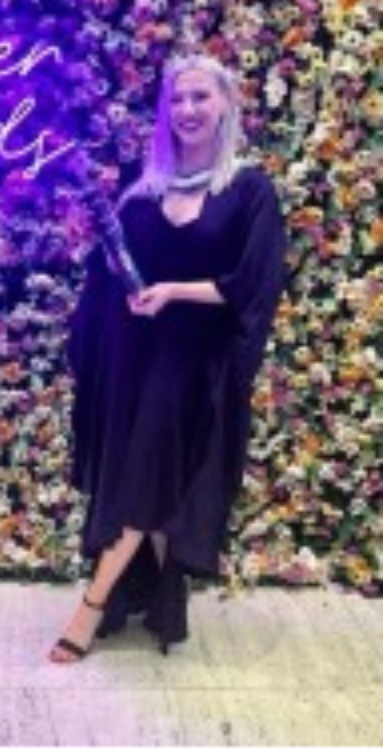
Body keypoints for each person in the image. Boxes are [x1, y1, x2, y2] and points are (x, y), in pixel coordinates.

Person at [50, 54, 287, 662]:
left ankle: (91, 607)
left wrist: (175, 292)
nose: (187, 109)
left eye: (200, 97)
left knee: (144, 470)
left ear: (226, 105)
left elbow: (253, 283)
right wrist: (113, 276)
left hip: (195, 361)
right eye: (177, 99)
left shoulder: (248, 190)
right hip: (135, 356)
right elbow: (112, 270)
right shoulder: (144, 184)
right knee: (154, 475)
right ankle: (164, 602)